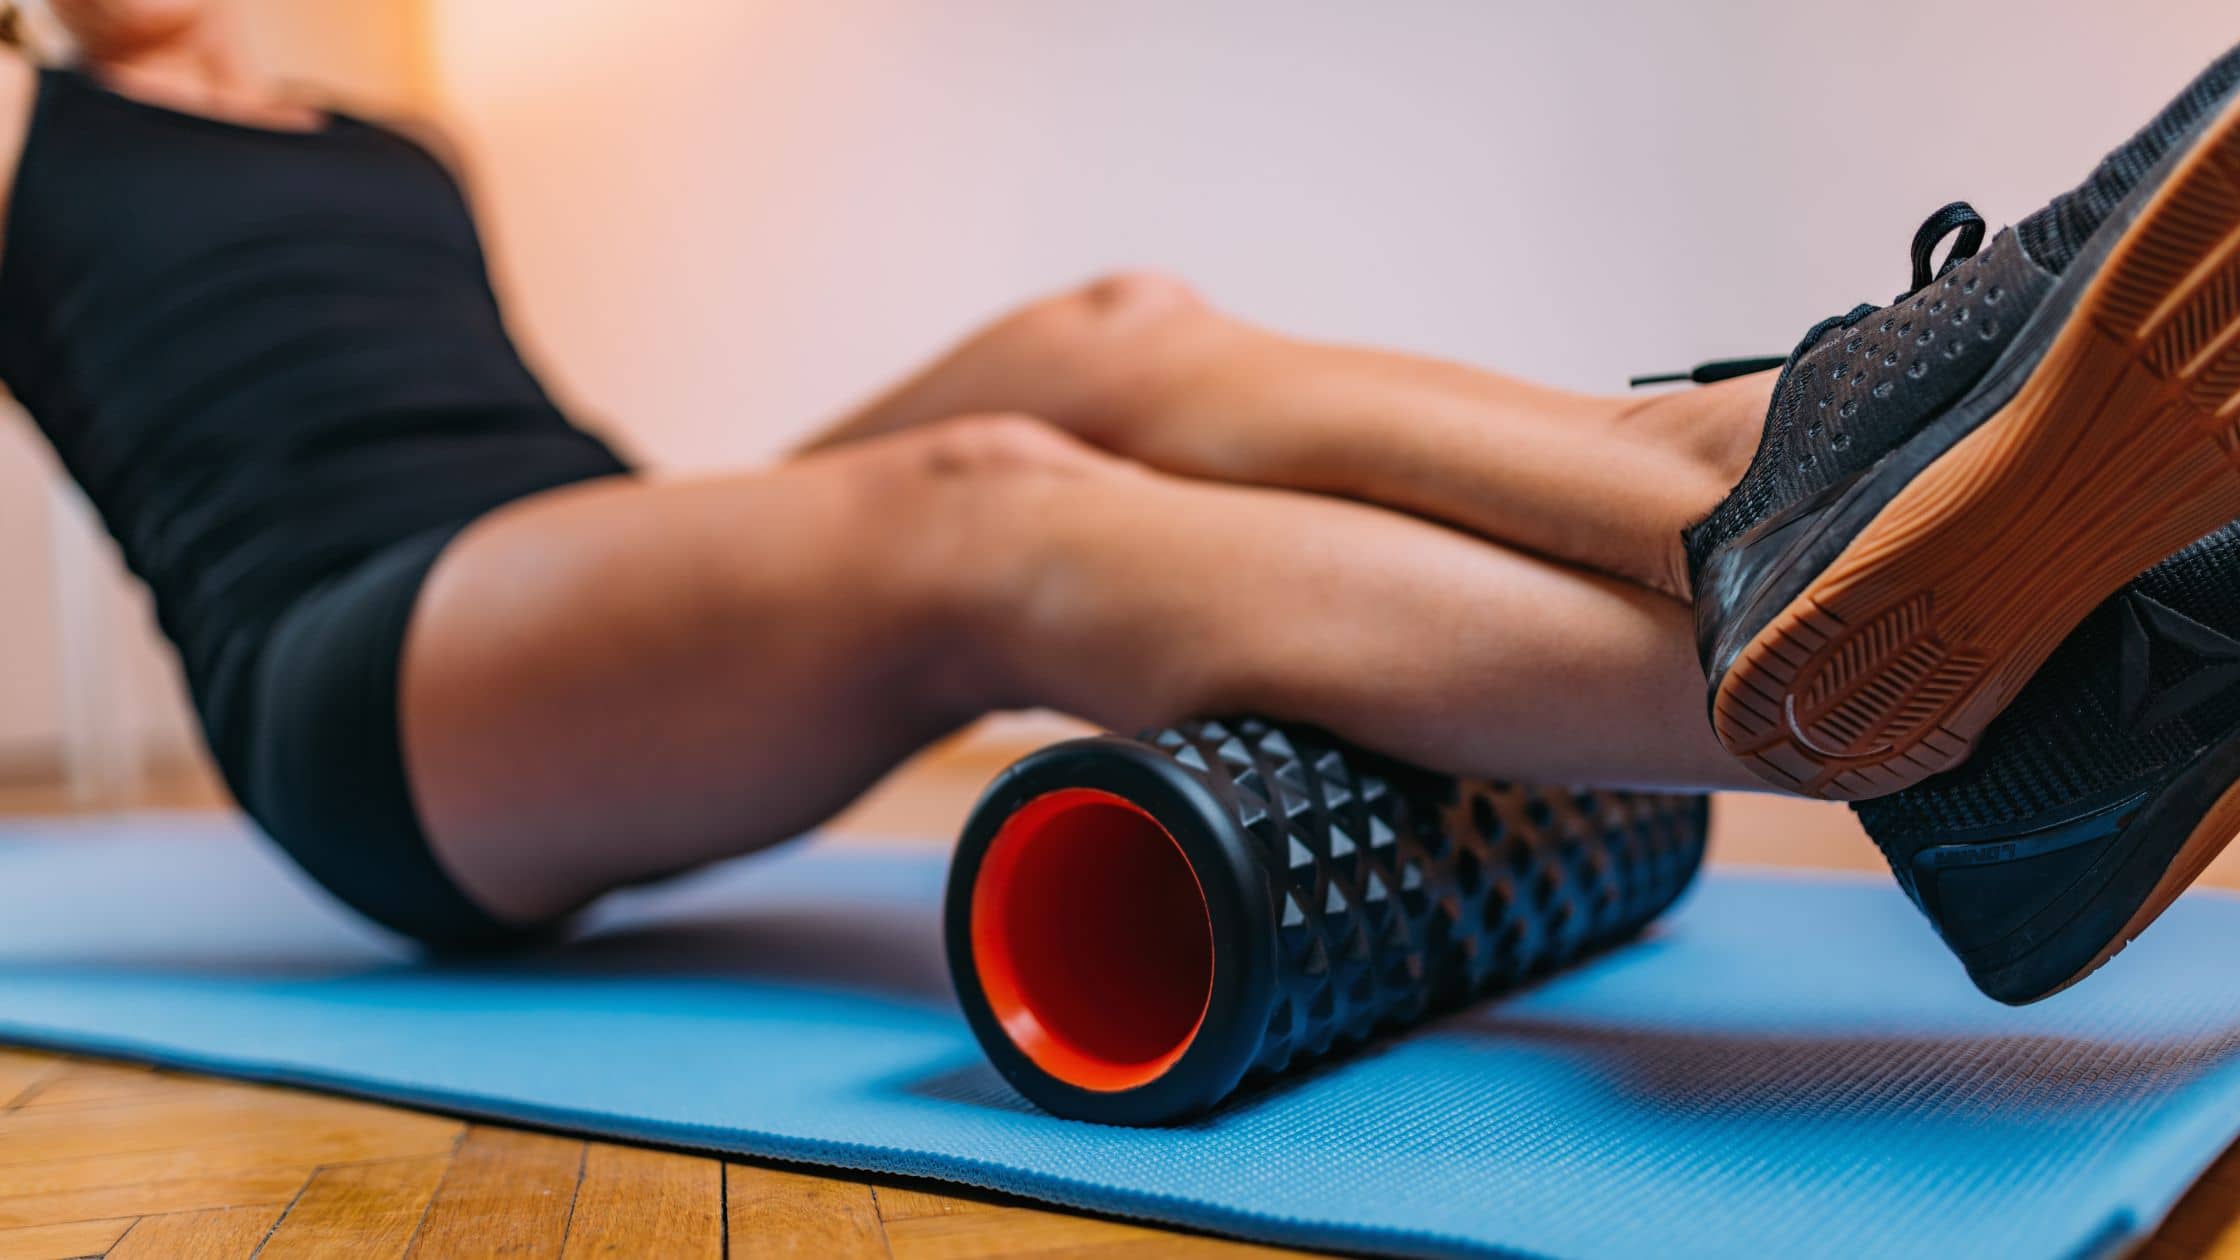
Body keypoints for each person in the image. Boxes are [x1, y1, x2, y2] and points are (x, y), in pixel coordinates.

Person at [4, 0, 2235, 1006]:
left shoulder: (393, 143)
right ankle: (1960, 676)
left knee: (1107, 329)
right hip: (363, 682)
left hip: (572, 566)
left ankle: (1784, 494)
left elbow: (518, 444)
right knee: (988, 510)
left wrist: (721, 552)